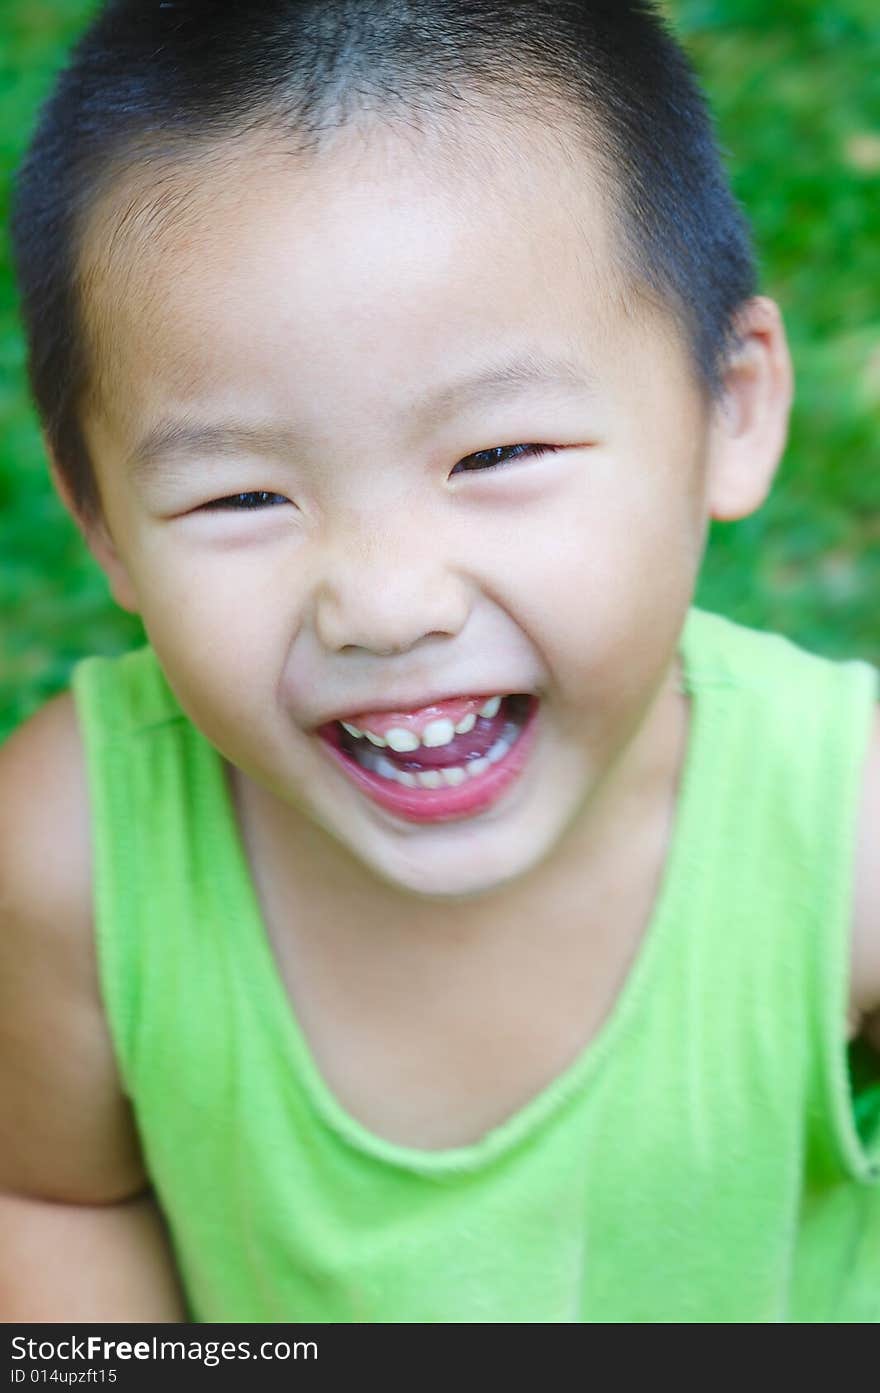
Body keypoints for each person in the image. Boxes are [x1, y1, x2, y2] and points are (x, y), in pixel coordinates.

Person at [1, 0, 878, 1324]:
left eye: (495, 455)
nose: (383, 603)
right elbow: (50, 1194)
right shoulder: (68, 861)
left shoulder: (846, 829)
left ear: (731, 408)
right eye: (240, 495)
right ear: (103, 524)